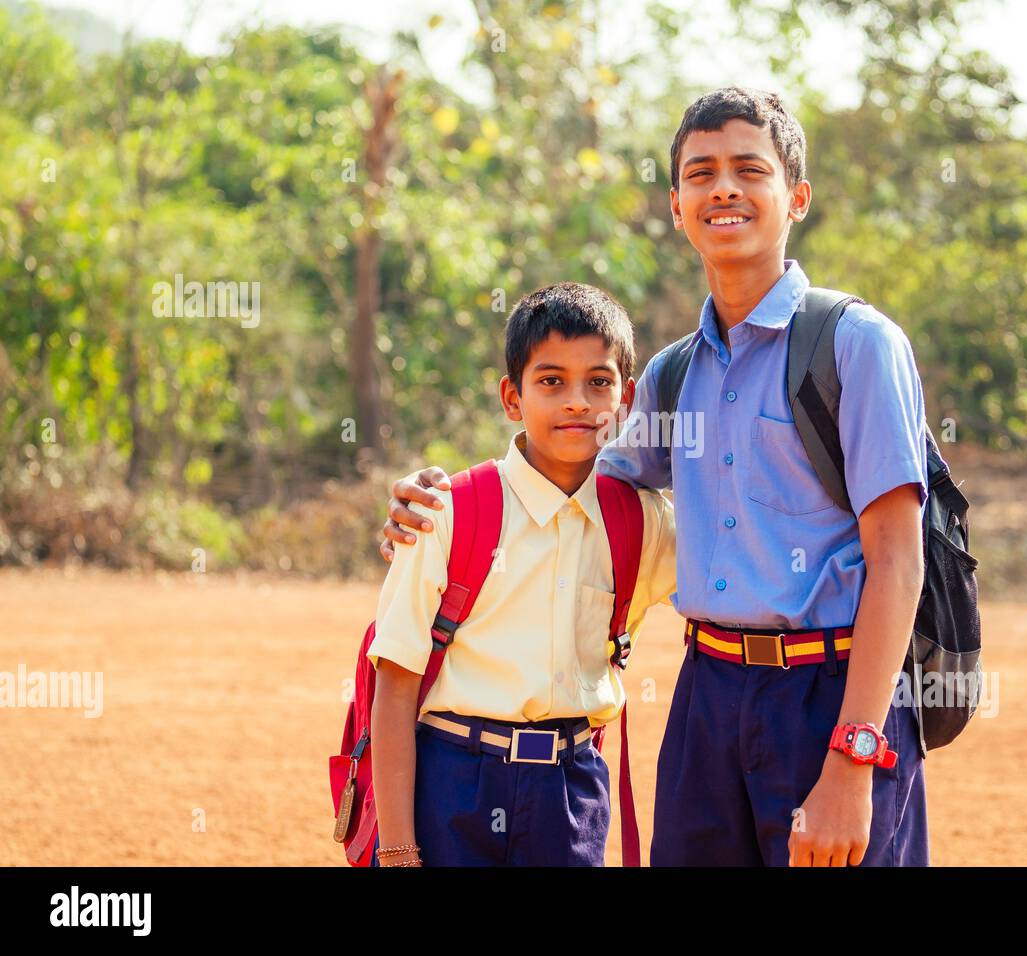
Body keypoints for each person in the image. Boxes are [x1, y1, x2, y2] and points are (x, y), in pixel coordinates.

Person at [382, 88, 929, 867]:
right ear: (677, 205)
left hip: (831, 692)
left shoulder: (856, 345)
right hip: (707, 703)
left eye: (750, 169)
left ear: (796, 196)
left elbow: (898, 561)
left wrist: (854, 754)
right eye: (700, 173)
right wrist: (433, 505)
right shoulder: (673, 376)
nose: (724, 189)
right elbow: (560, 483)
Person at [368, 282, 676, 866]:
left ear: (628, 399)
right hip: (453, 780)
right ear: (512, 397)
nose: (578, 402)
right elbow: (396, 683)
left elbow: (732, 587)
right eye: (551, 380)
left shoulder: (641, 520)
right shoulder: (448, 511)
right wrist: (400, 850)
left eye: (600, 381)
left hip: (569, 791)